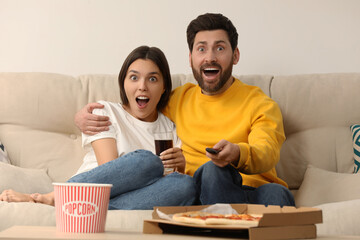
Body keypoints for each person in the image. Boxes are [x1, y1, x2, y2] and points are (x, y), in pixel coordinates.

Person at [73, 13, 295, 207]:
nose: (210, 57)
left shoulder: (260, 103)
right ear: (191, 59)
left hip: (253, 190)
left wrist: (238, 152)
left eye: (220, 48)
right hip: (202, 190)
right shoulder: (177, 99)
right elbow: (137, 105)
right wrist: (83, 116)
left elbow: (267, 152)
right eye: (201, 49)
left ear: (235, 55)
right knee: (212, 171)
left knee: (278, 194)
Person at [0, 46, 196, 209]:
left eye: (152, 79)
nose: (142, 86)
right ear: (124, 83)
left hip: (123, 200)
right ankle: (55, 197)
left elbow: (167, 182)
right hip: (95, 188)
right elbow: (108, 168)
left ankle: (87, 207)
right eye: (134, 78)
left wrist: (179, 166)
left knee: (186, 184)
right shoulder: (105, 112)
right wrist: (150, 168)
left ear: (164, 87)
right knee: (148, 161)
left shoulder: (170, 126)